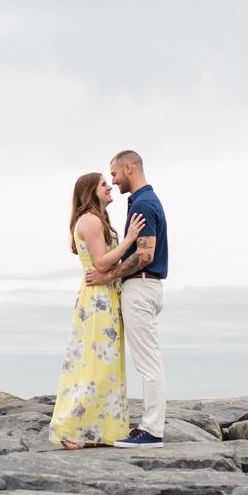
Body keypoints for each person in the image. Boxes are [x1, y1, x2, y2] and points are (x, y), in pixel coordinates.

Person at [50, 172, 147, 448]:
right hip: (98, 299)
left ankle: (96, 429)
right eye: (104, 184)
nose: (110, 187)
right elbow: (101, 263)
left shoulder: (97, 219)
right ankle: (68, 427)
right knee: (96, 365)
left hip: (104, 296)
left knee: (103, 365)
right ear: (91, 191)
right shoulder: (91, 220)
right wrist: (129, 240)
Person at [85, 150, 167, 446]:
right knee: (147, 359)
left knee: (147, 361)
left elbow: (144, 254)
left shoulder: (143, 203)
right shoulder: (142, 201)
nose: (114, 181)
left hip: (141, 286)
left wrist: (108, 276)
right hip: (145, 287)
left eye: (115, 174)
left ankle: (152, 430)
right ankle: (148, 426)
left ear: (128, 168)